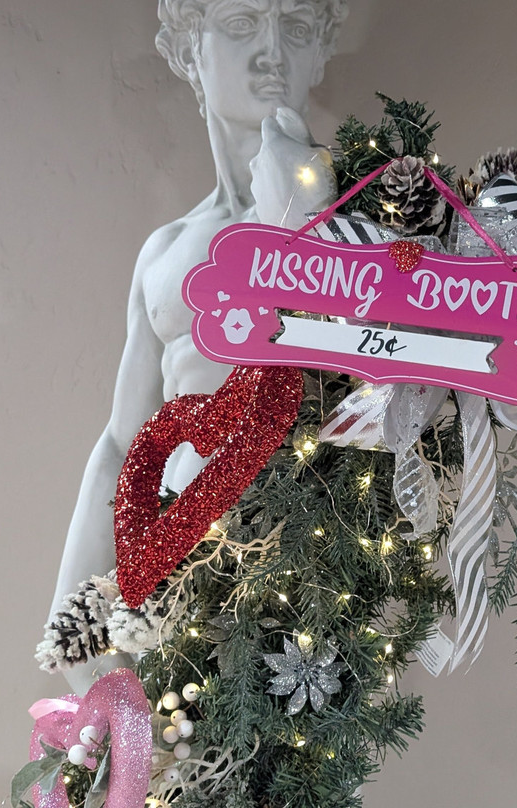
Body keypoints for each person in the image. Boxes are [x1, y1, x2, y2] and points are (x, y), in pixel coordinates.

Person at [49, 0, 349, 694]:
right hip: (171, 580)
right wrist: (73, 610)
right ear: (189, 50)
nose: (272, 52)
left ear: (319, 53)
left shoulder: (362, 228)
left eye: (296, 28)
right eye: (243, 24)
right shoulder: (167, 250)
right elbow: (124, 442)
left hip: (303, 586)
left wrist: (305, 204)